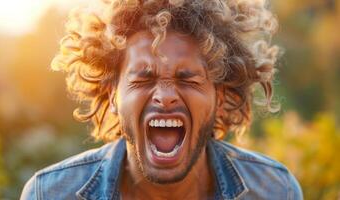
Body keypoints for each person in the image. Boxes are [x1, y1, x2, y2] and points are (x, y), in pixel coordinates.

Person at [21, 0, 303, 199]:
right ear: (113, 94)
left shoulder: (275, 191)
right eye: (143, 79)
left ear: (221, 95)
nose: (165, 97)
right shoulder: (49, 194)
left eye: (188, 79)